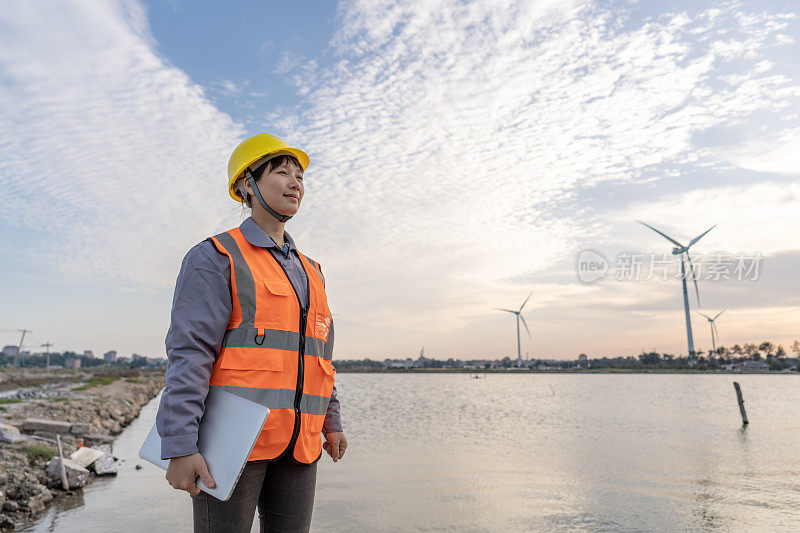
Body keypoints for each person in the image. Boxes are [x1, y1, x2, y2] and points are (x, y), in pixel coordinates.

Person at [155, 133, 347, 532]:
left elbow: (318, 359)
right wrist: (179, 445)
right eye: (281, 172)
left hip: (300, 448)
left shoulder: (313, 271)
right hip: (231, 446)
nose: (296, 183)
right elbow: (190, 354)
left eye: (300, 176)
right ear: (247, 185)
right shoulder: (215, 257)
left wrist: (332, 422)